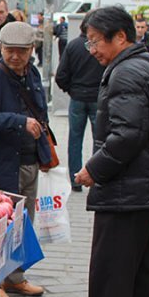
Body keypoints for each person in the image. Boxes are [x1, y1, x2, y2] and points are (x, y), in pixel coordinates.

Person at [63, 6, 149, 297]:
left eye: (95, 41)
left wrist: (94, 170)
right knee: (142, 271)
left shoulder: (126, 72)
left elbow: (128, 134)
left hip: (128, 190)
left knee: (110, 274)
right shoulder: (146, 64)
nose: (91, 49)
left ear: (121, 38)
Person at [0, 21, 49, 297]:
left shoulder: (32, 74)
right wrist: (19, 123)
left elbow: (40, 112)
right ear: (1, 48)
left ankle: (15, 277)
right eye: (9, 50)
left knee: (22, 223)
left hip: (27, 163)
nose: (15, 56)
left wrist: (43, 153)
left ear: (31, 50)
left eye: (22, 51)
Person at [55, 12, 105, 191]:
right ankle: (94, 177)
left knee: (75, 139)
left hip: (77, 98)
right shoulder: (102, 47)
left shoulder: (73, 46)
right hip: (98, 98)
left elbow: (61, 75)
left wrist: (71, 89)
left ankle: (76, 179)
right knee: (99, 139)